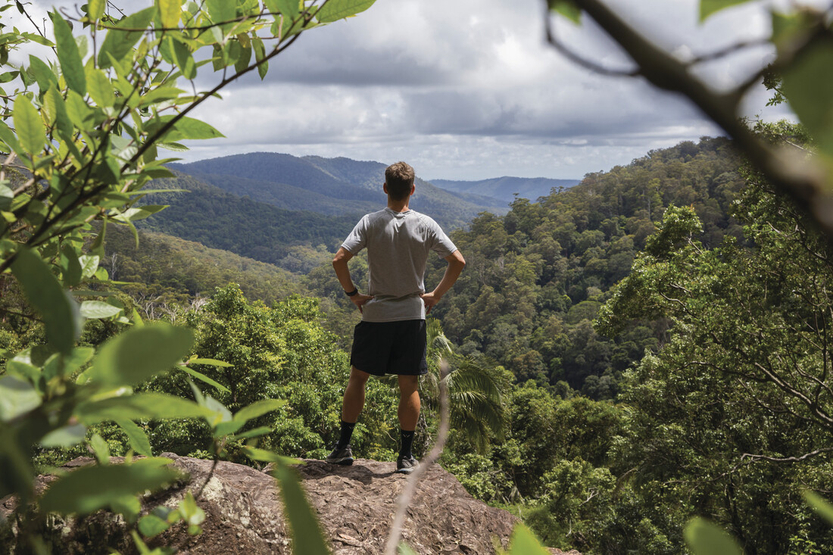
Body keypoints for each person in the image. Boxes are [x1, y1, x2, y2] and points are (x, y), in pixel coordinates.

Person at [326, 161, 466, 474]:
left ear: (386, 188)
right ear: (412, 190)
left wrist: (353, 295)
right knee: (409, 385)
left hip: (375, 314)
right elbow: (457, 261)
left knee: (358, 379)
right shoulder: (426, 225)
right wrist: (435, 295)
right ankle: (405, 457)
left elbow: (339, 260)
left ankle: (343, 447)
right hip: (412, 316)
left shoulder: (370, 222)